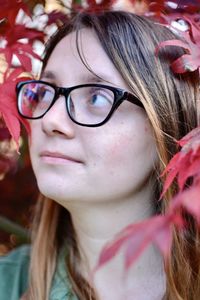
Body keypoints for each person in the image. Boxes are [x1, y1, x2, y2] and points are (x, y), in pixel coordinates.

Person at [0, 10, 199, 300]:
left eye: (97, 97)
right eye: (45, 92)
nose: (50, 120)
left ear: (164, 124)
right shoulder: (9, 285)